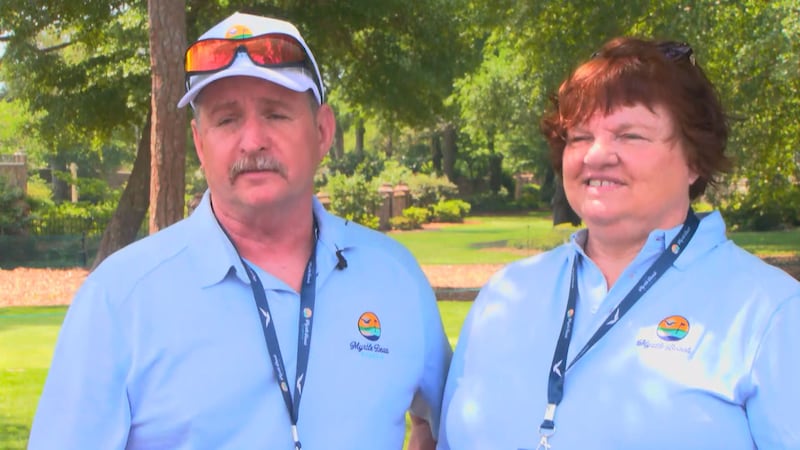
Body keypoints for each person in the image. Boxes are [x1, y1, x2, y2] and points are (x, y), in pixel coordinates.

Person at [29, 12, 451, 450]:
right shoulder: (120, 300)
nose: (252, 140)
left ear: (323, 131)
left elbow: (443, 425)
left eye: (276, 114)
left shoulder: (394, 277)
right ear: (199, 142)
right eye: (227, 120)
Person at [437, 37, 800, 450]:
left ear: (695, 159)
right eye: (578, 137)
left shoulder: (770, 312)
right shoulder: (506, 294)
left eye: (630, 136)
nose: (597, 155)